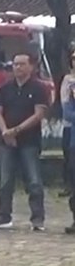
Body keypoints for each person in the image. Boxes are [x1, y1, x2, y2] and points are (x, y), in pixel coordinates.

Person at [0, 52, 48, 231]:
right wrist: (5, 131)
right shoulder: (5, 88)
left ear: (31, 67)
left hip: (29, 140)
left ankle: (37, 219)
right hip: (6, 141)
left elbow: (39, 114)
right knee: (5, 181)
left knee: (34, 180)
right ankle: (3, 216)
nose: (18, 67)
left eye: (22, 64)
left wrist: (17, 130)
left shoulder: (39, 88)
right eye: (15, 64)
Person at [60, 51, 75, 198]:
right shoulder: (68, 80)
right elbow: (65, 101)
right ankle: (69, 185)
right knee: (69, 159)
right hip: (70, 126)